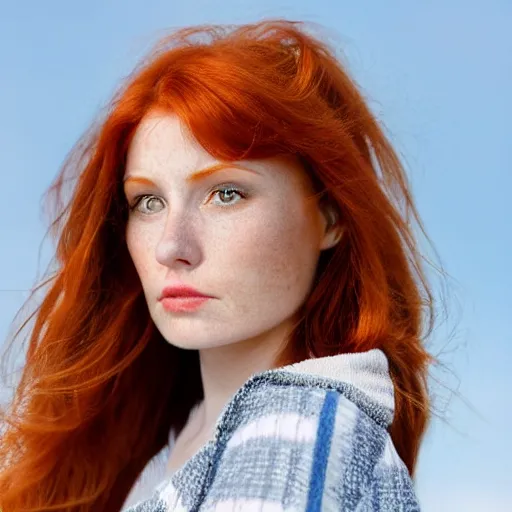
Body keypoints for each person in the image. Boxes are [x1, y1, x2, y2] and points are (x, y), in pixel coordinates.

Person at [0, 19, 437, 511]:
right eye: (147, 201)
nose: (171, 247)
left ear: (331, 215)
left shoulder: (298, 426)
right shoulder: (178, 440)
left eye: (226, 193)